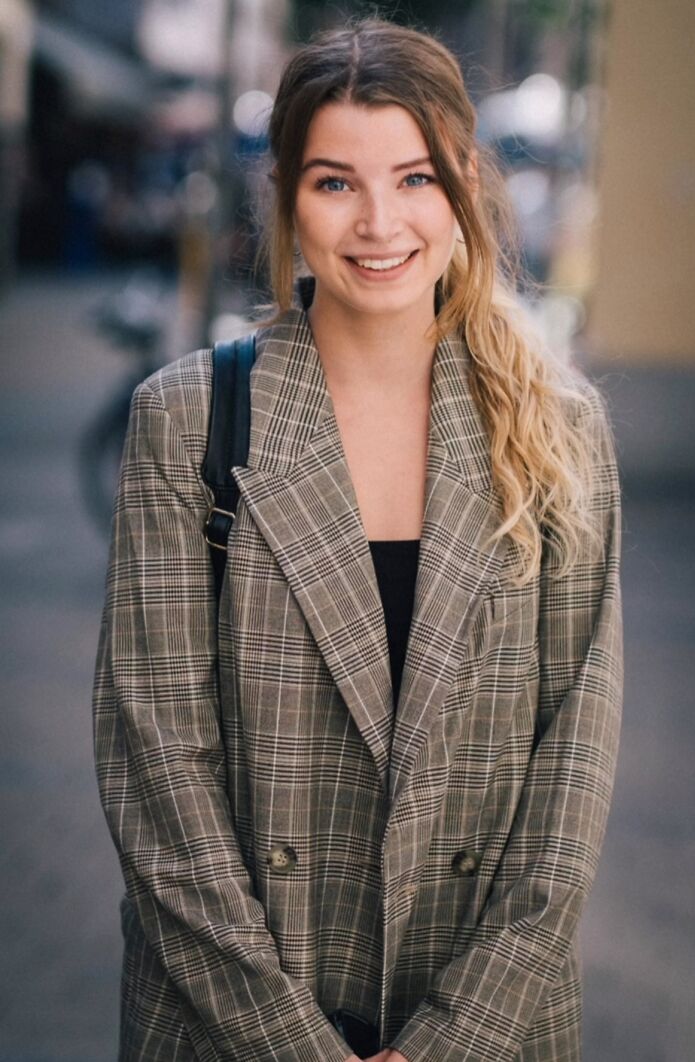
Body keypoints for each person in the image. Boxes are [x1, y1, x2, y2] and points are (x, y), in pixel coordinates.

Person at [93, 18, 623, 1062]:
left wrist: (451, 1041)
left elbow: (575, 764)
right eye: (335, 181)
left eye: (415, 178)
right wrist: (289, 1043)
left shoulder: (555, 427)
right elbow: (155, 771)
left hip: (489, 1018)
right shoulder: (190, 418)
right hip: (232, 1017)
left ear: (463, 183)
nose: (379, 222)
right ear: (286, 193)